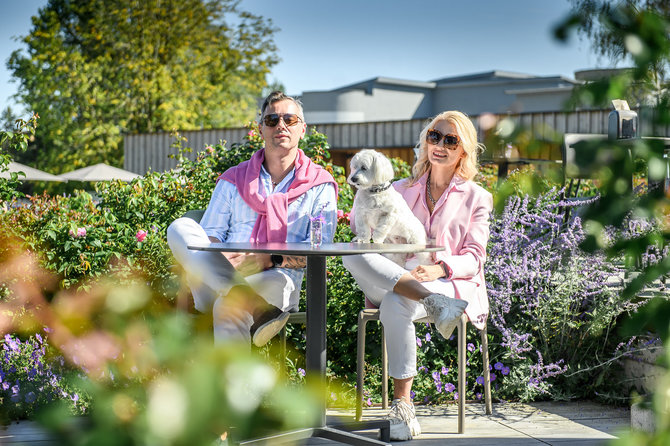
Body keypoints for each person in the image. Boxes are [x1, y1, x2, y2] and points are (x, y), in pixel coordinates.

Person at [342, 110, 492, 441]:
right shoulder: (397, 189)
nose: (439, 145)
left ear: (463, 150)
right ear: (425, 142)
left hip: (447, 283)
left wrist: (440, 267)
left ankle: (402, 406)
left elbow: (475, 258)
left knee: (397, 302)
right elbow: (366, 228)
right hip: (393, 274)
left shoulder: (477, 197)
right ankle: (433, 303)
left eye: (450, 140)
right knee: (350, 252)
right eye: (433, 136)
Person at [167, 91, 338, 347]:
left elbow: (319, 248)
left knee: (229, 305)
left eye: (289, 120)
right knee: (180, 227)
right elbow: (209, 236)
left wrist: (266, 259)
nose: (280, 125)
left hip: (277, 277)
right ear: (261, 129)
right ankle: (251, 301)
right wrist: (227, 264)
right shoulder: (233, 178)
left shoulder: (319, 185)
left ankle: (235, 387)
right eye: (272, 120)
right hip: (215, 277)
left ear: (302, 129)